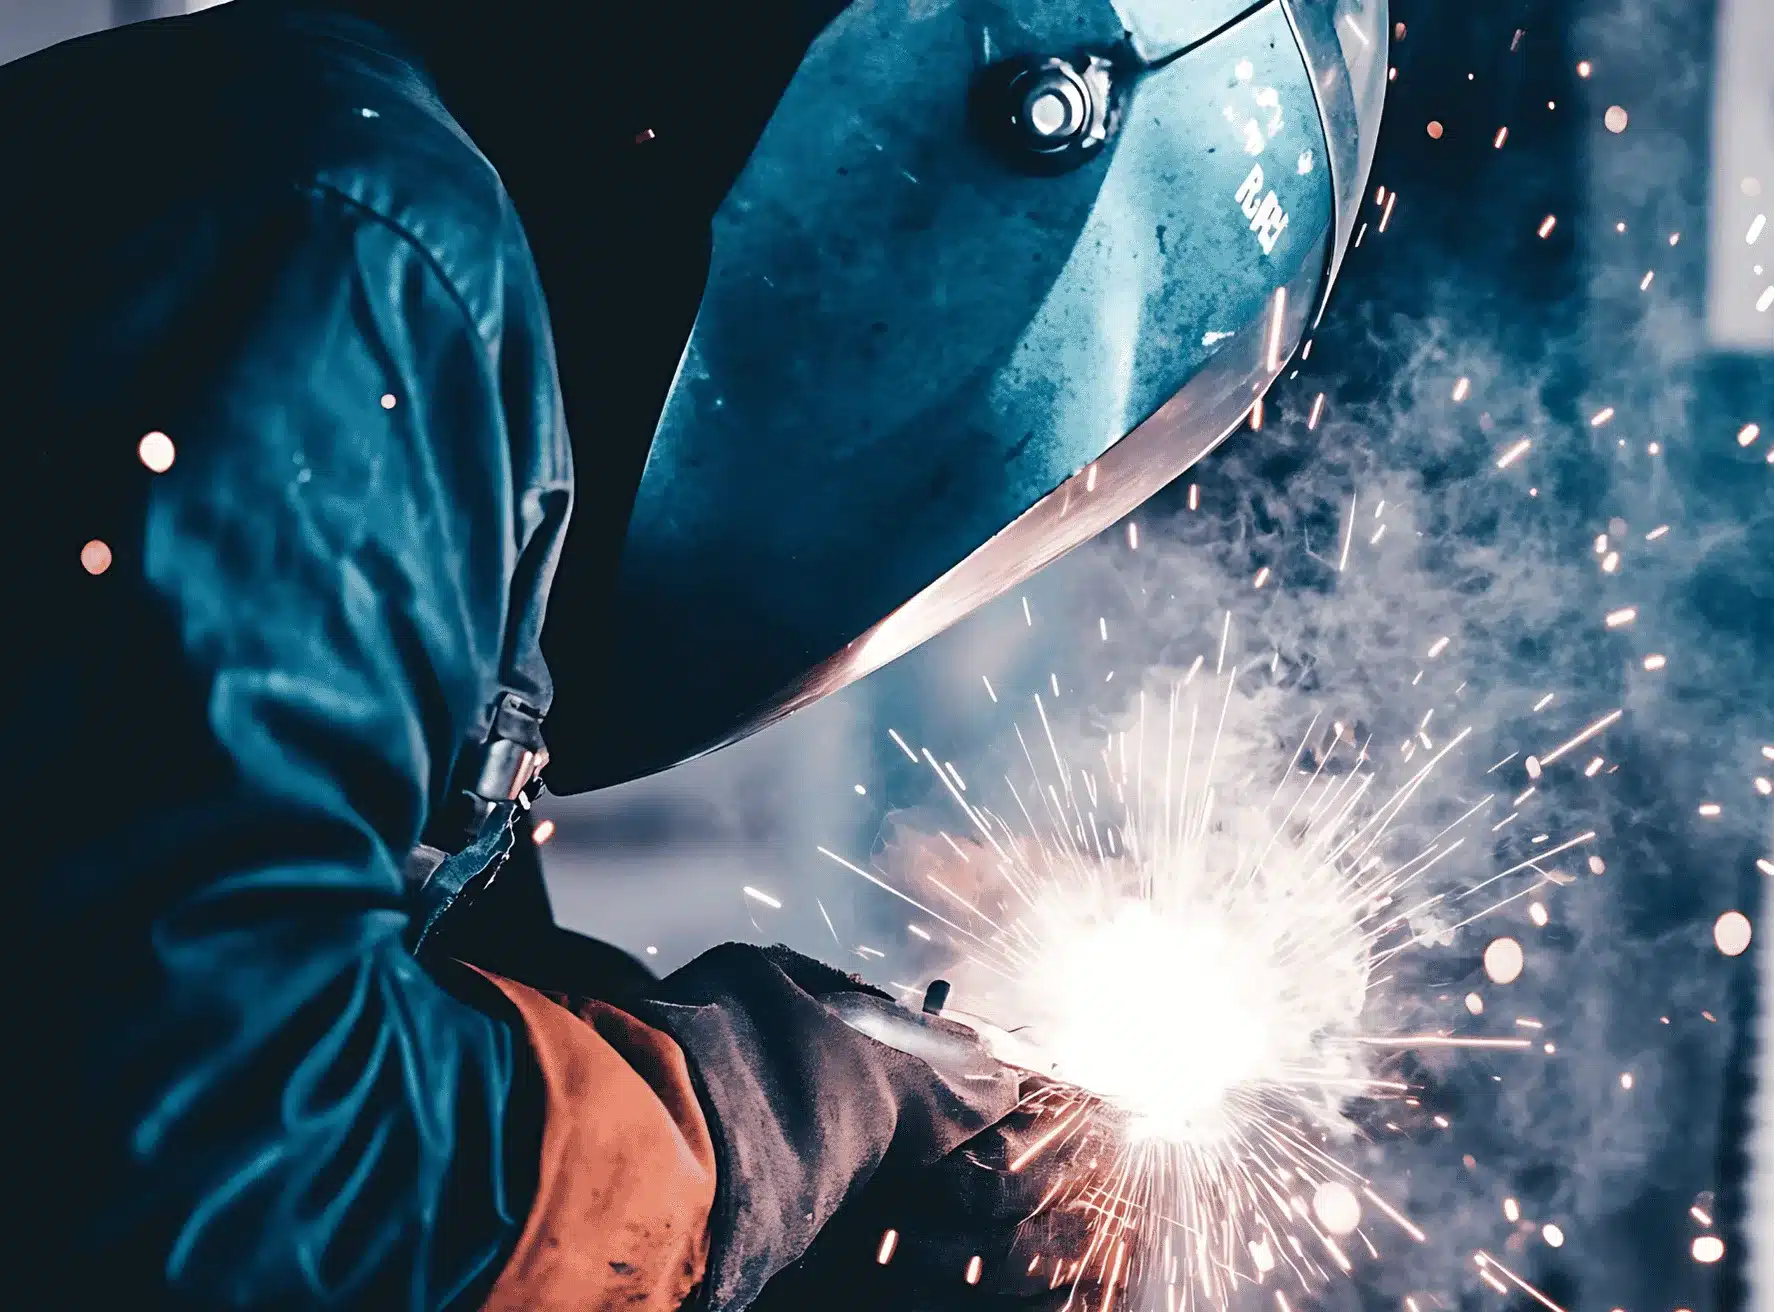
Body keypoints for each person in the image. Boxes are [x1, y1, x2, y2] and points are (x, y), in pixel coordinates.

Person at [10, 0, 1384, 1306]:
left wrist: (807, 1233)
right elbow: (226, 1164)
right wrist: (788, 1113)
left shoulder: (414, 293)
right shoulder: (354, 248)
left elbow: (366, 1029)